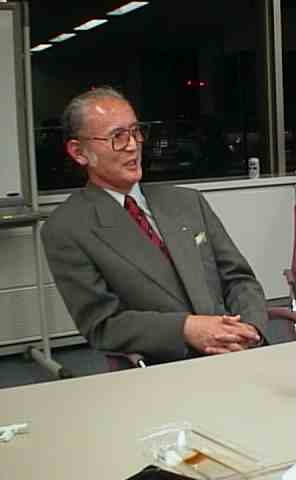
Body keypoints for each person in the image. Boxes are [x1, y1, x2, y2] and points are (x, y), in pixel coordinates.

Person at [42, 86, 269, 364]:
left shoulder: (187, 202)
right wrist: (186, 329)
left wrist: (249, 329)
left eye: (135, 132)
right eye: (117, 137)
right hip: (168, 366)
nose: (132, 145)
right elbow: (103, 325)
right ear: (79, 152)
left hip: (242, 351)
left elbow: (239, 279)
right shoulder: (68, 228)